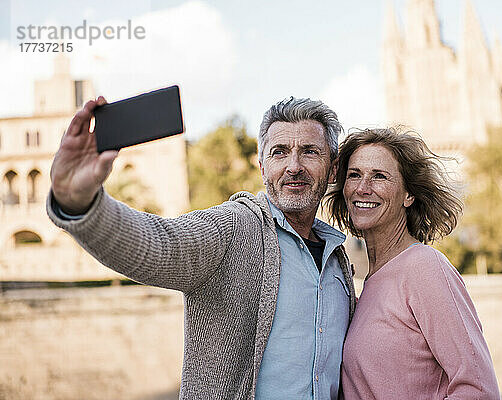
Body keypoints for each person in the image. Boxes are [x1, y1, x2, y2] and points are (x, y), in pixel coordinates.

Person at [47, 96, 356, 399]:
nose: (294, 166)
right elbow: (159, 245)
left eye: (310, 152)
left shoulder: (337, 259)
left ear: (332, 169)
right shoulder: (235, 228)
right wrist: (78, 202)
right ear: (262, 168)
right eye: (279, 152)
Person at [326, 127, 500, 399]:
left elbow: (478, 389)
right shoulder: (366, 282)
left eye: (379, 176)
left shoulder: (424, 267)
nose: (363, 187)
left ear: (409, 195)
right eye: (354, 175)